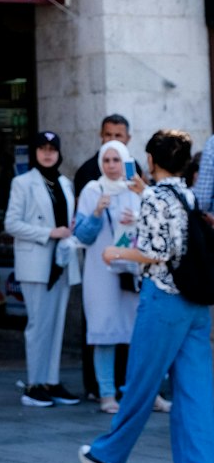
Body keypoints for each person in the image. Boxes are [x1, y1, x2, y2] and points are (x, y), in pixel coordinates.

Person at [80, 129, 214, 463]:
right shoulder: (185, 193)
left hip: (162, 300)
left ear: (151, 161)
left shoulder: (155, 198)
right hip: (196, 304)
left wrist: (116, 252)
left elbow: (158, 252)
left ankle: (109, 457)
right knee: (196, 388)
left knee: (141, 381)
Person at [4, 130, 79, 407]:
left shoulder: (64, 182)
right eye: (42, 148)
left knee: (57, 323)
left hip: (60, 264)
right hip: (36, 263)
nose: (48, 153)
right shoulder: (23, 183)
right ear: (35, 152)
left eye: (52, 149)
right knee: (38, 325)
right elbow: (11, 224)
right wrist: (49, 232)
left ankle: (51, 380)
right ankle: (34, 384)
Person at [74, 139, 144, 413]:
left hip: (129, 269)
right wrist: (96, 212)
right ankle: (106, 393)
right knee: (104, 331)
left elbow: (150, 226)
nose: (112, 165)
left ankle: (135, 393)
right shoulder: (93, 189)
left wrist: (136, 216)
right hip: (101, 272)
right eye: (107, 160)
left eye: (117, 160)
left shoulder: (134, 188)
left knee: (134, 330)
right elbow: (81, 235)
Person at [73, 113, 143, 200]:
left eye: (118, 136)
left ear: (128, 138)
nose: (113, 140)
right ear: (101, 135)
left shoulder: (134, 167)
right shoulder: (86, 170)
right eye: (108, 135)